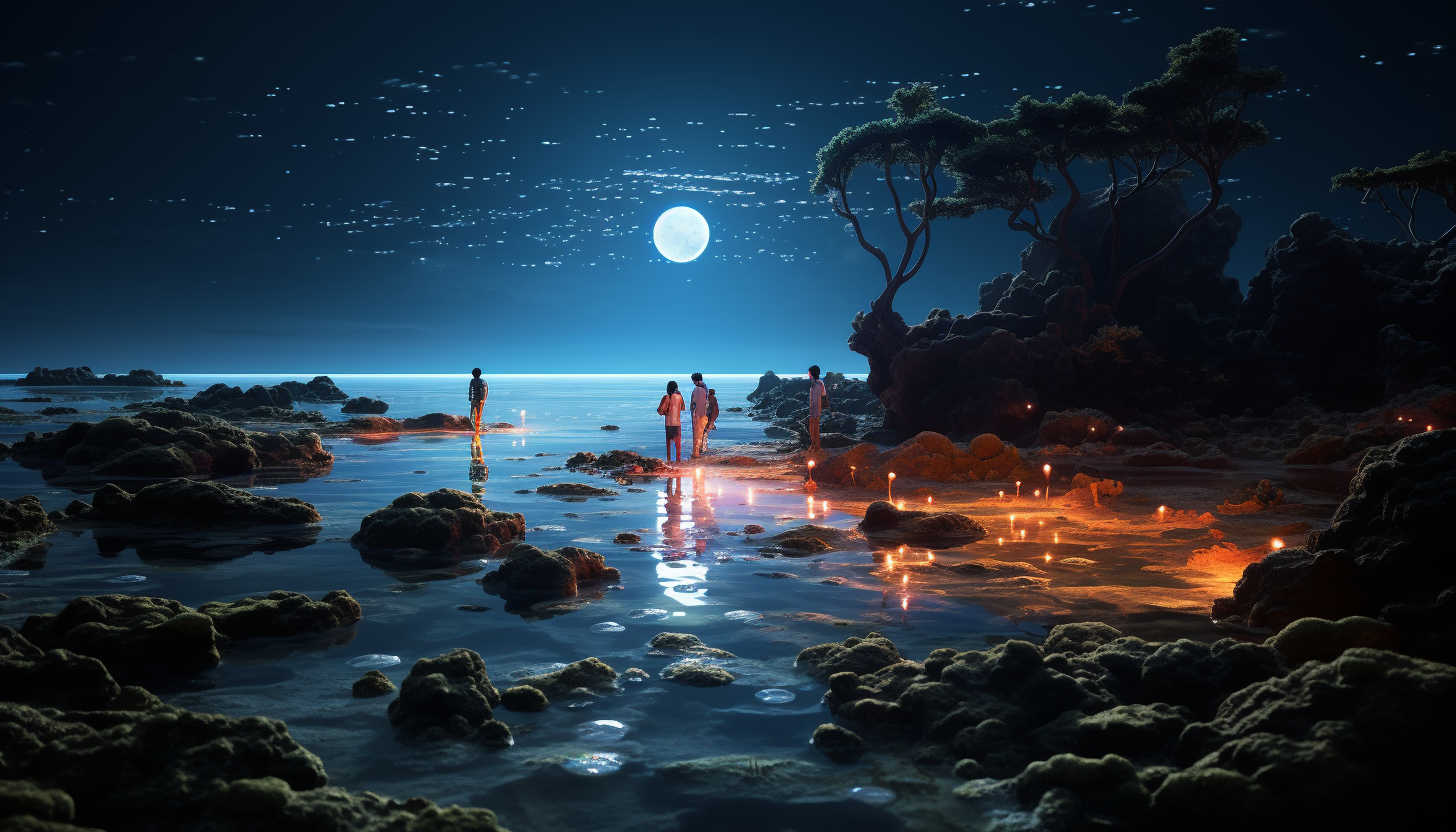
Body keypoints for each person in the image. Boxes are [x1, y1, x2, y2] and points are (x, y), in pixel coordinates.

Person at [657, 380, 686, 463]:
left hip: (669, 423)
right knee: (678, 446)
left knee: (669, 446)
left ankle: (669, 462)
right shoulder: (680, 397)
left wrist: (665, 412)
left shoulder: (666, 397)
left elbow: (660, 410)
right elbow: (683, 408)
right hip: (677, 423)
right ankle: (678, 463)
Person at [807, 365, 830, 452]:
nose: (808, 373)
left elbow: (821, 395)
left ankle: (816, 447)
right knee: (813, 426)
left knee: (814, 427)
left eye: (809, 372)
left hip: (816, 406)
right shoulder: (818, 383)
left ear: (812, 373)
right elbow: (824, 393)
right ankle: (814, 445)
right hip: (814, 406)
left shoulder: (817, 383)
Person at [689, 372, 710, 459]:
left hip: (699, 415)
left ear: (696, 380)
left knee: (697, 436)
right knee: (703, 434)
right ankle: (702, 451)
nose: (693, 383)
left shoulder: (698, 390)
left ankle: (696, 455)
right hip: (705, 415)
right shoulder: (706, 389)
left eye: (693, 381)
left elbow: (694, 403)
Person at [468, 368, 488, 433]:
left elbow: (471, 390)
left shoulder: (472, 381)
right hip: (480, 400)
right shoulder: (483, 381)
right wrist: (483, 399)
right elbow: (485, 390)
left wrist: (470, 397)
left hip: (474, 400)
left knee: (472, 413)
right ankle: (478, 426)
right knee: (479, 414)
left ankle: (472, 426)